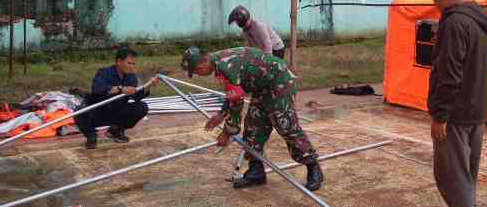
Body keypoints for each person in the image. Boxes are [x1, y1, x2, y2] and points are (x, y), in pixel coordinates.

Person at [181, 46, 323, 191]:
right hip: (261, 87)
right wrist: (222, 114)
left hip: (279, 82)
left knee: (285, 125)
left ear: (203, 62)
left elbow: (237, 104)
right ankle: (256, 172)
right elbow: (234, 92)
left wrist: (228, 132)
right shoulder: (217, 62)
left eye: (197, 70)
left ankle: (313, 167)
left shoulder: (225, 66)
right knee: (253, 126)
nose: (198, 74)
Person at [427, 0, 487, 207]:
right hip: (476, 111)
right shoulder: (480, 19)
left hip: (455, 114)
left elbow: (450, 73)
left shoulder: (454, 22)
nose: (433, 1)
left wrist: (440, 115)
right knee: (466, 178)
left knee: (452, 180)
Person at [75, 47, 155, 149]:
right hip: (99, 110)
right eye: (129, 63)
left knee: (142, 107)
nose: (131, 66)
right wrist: (120, 89)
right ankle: (91, 136)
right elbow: (97, 89)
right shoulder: (104, 72)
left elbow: (136, 96)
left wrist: (148, 86)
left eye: (133, 64)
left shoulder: (131, 77)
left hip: (117, 110)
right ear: (119, 61)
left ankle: (115, 131)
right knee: (79, 112)